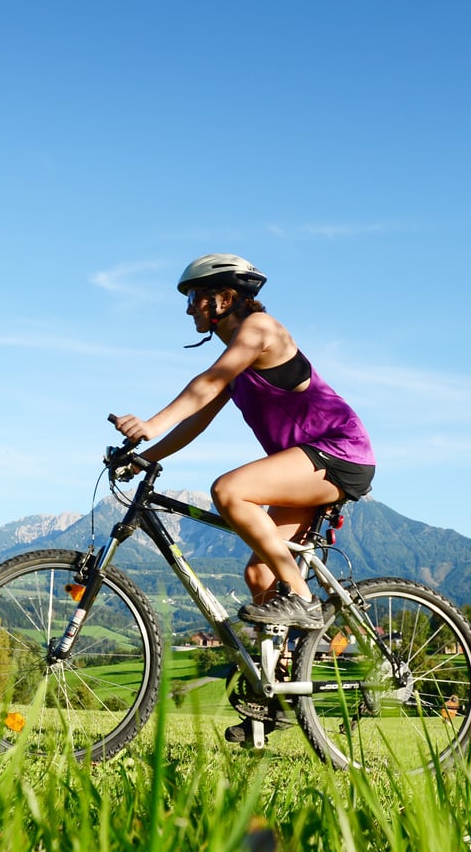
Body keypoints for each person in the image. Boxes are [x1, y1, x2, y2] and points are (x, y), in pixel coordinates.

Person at [109, 253, 376, 632]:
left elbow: (208, 382)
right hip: (306, 463)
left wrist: (151, 424)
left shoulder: (261, 328)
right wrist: (142, 459)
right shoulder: (235, 361)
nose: (189, 311)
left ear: (225, 297)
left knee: (229, 490)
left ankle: (302, 598)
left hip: (338, 453)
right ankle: (281, 685)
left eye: (194, 298)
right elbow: (196, 420)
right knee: (261, 575)